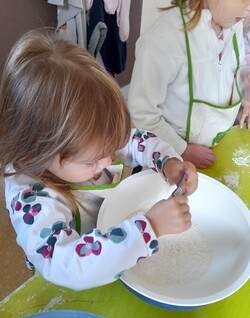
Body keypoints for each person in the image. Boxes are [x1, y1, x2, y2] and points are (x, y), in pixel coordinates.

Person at [0, 29, 198, 291]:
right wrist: (149, 228)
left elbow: (135, 140)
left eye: (110, 148)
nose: (107, 160)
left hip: (117, 253)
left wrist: (167, 162)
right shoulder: (31, 199)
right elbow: (67, 265)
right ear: (39, 151)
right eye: (92, 161)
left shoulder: (87, 142)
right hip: (67, 286)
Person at [128, 0, 250, 169]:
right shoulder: (163, 39)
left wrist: (245, 93)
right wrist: (182, 149)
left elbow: (233, 68)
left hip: (216, 144)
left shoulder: (234, 25)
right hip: (168, 157)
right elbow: (142, 113)